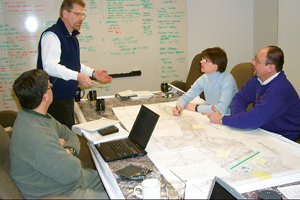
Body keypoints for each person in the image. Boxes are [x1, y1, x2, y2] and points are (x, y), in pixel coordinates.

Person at [10, 69, 108, 199]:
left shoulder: (35, 115)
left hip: (70, 180)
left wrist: (68, 151)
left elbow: (70, 134)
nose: (52, 88)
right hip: (59, 192)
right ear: (45, 96)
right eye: (50, 86)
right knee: (123, 195)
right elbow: (72, 172)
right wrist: (65, 153)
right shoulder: (36, 135)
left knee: (118, 179)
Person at [37, 0, 112, 129]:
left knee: (68, 137)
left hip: (66, 98)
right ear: (65, 13)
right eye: (78, 14)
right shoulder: (52, 35)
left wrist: (92, 73)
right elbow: (50, 67)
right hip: (54, 99)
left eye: (83, 15)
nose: (81, 18)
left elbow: (73, 64)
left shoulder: (72, 37)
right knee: (64, 141)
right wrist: (78, 76)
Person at [204, 46, 300, 142]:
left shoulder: (280, 89)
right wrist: (242, 119)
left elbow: (255, 119)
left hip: (285, 140)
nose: (253, 63)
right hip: (262, 132)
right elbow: (239, 98)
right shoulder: (256, 80)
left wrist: (222, 119)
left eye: (257, 61)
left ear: (270, 68)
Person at [172, 47, 238, 116]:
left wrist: (196, 108)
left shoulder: (227, 79)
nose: (201, 62)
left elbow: (221, 109)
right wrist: (179, 107)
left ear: (215, 66)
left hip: (227, 117)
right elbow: (186, 97)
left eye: (205, 60)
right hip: (211, 114)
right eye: (202, 59)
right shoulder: (205, 77)